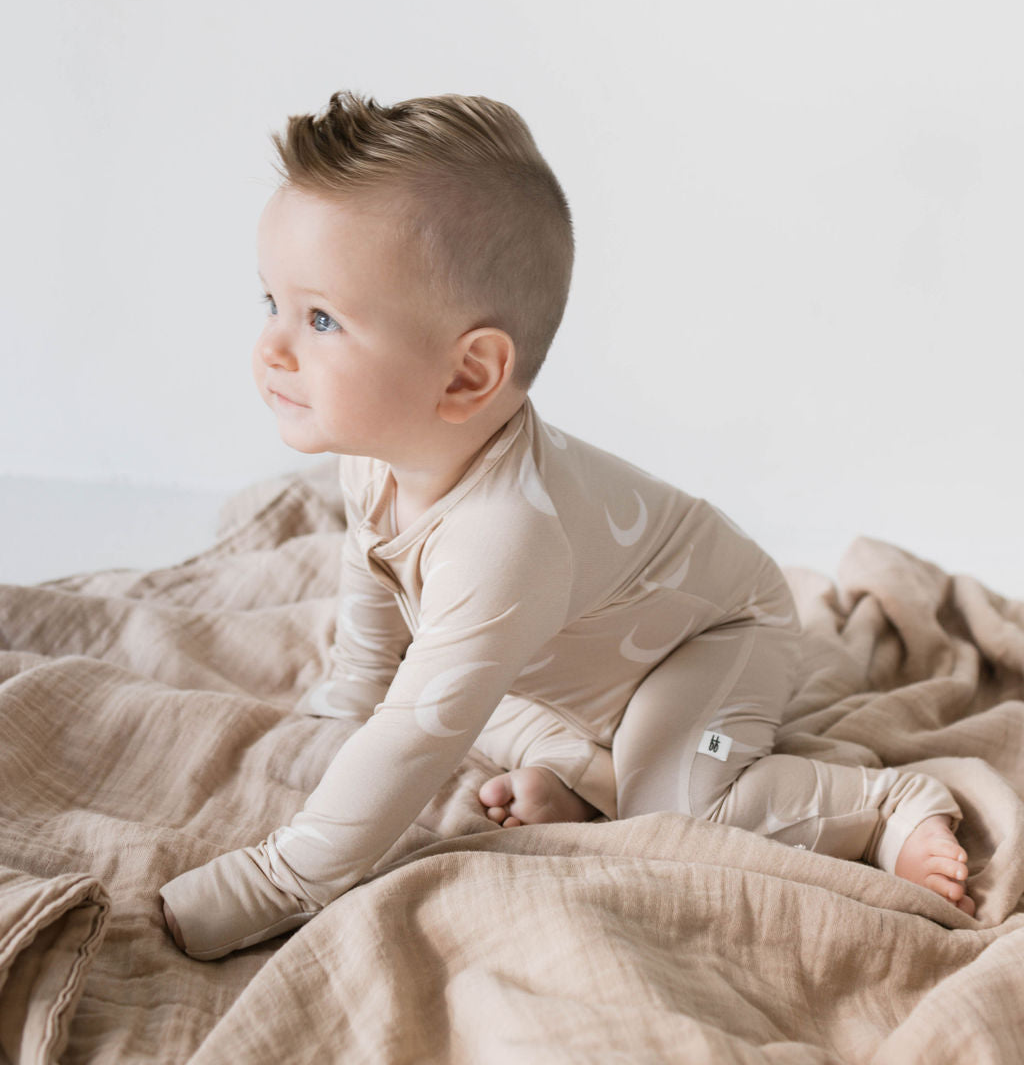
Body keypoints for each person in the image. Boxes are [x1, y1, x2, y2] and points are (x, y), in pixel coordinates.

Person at [160, 91, 972, 960]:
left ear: (469, 375)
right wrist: (348, 700)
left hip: (715, 636)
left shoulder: (505, 536)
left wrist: (279, 878)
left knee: (672, 796)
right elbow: (375, 589)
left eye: (319, 319)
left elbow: (414, 737)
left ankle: (883, 807)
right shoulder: (376, 455)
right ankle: (593, 780)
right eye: (271, 302)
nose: (273, 347)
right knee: (451, 687)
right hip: (575, 663)